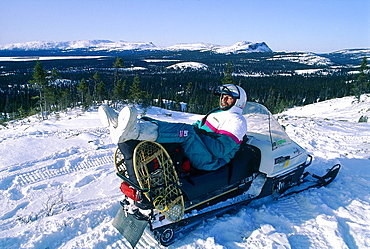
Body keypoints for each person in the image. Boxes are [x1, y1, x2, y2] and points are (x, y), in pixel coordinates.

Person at [99, 84, 247, 171]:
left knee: (185, 131)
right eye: (222, 96)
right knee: (178, 128)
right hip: (203, 150)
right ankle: (128, 125)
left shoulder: (237, 121)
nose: (223, 100)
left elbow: (220, 150)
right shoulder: (219, 113)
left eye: (229, 98)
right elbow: (199, 127)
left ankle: (134, 132)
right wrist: (194, 130)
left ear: (238, 102)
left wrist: (195, 133)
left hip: (210, 161)